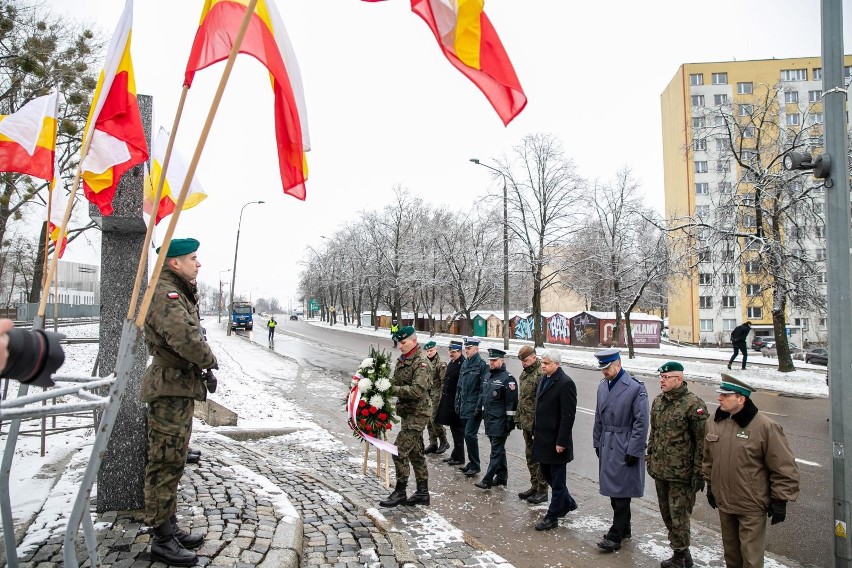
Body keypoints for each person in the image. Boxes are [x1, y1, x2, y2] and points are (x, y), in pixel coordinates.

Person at [141, 238, 218, 567]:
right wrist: (210, 360)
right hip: (169, 389)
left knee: (173, 460)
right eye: (192, 258)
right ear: (174, 263)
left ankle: (168, 526)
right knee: (164, 462)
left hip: (178, 386)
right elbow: (185, 338)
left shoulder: (177, 290)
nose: (197, 264)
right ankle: (161, 538)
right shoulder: (165, 292)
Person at [703, 374, 800, 568]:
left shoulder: (765, 426)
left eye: (725, 395)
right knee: (731, 556)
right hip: (724, 501)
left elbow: (784, 466)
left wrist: (781, 499)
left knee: (751, 559)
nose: (719, 398)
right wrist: (710, 484)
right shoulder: (714, 421)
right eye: (720, 394)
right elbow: (708, 457)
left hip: (751, 504)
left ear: (741, 399)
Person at [647, 362, 708, 568]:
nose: (661, 381)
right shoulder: (658, 402)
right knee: (667, 514)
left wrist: (699, 473)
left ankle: (681, 557)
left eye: (666, 377)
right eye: (661, 377)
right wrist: (650, 458)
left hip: (682, 474)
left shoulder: (693, 405)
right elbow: (654, 434)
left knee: (679, 516)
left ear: (679, 380)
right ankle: (680, 552)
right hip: (661, 470)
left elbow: (702, 442)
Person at [593, 348, 649, 553]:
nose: (604, 372)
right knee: (612, 491)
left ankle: (615, 535)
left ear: (618, 364)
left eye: (607, 368)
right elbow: (598, 417)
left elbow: (641, 423)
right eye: (603, 369)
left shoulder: (635, 388)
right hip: (608, 443)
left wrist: (634, 449)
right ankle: (625, 528)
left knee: (622, 493)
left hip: (625, 443)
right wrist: (597, 441)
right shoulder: (602, 386)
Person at [379, 326, 432, 508]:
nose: (400, 346)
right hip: (407, 413)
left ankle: (400, 492)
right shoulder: (403, 360)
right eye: (399, 342)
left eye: (403, 342)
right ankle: (422, 493)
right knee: (416, 453)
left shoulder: (422, 363)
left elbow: (417, 391)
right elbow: (396, 382)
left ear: (414, 341)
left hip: (418, 413)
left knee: (399, 451)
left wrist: (390, 389)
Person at [531, 349, 578, 531]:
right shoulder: (545, 378)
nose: (542, 366)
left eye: (546, 363)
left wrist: (562, 442)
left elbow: (568, 416)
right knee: (547, 474)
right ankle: (567, 502)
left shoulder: (566, 383)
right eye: (542, 363)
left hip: (557, 441)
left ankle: (552, 517)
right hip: (543, 438)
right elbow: (538, 407)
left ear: (556, 365)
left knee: (558, 481)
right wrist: (535, 428)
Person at [474, 348, 518, 490]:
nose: (491, 363)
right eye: (490, 360)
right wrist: (479, 410)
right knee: (499, 450)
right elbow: (483, 396)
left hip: (500, 421)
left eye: (494, 361)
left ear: (502, 361)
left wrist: (509, 423)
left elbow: (511, 403)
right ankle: (502, 477)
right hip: (489, 420)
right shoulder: (488, 376)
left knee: (496, 451)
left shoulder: (508, 379)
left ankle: (487, 480)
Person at [515, 345, 549, 505]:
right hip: (526, 422)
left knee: (539, 458)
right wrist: (518, 417)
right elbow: (522, 398)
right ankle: (534, 485)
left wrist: (539, 424)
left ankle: (543, 490)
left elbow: (543, 402)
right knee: (530, 456)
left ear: (535, 357)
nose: (524, 364)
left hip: (536, 424)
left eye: (526, 360)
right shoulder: (525, 374)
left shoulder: (540, 374)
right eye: (522, 361)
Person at [455, 336, 489, 477]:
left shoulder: (482, 366)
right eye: (466, 348)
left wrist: (478, 407)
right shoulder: (465, 363)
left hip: (474, 407)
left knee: (470, 434)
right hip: (464, 405)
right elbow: (460, 385)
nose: (466, 351)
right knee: (466, 434)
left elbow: (483, 389)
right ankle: (471, 462)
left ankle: (475, 465)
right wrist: (457, 402)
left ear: (476, 349)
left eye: (469, 348)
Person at [436, 340, 465, 466]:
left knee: (458, 431)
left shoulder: (462, 364)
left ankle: (460, 457)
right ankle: (455, 454)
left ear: (459, 351)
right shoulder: (453, 362)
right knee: (454, 430)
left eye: (453, 352)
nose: (450, 354)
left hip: (456, 402)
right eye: (450, 352)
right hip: (450, 401)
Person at [423, 340, 450, 455]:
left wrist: (443, 397)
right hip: (426, 395)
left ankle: (444, 441)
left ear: (436, 350)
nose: (429, 353)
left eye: (431, 350)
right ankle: (433, 443)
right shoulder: (423, 362)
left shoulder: (441, 364)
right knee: (428, 419)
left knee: (434, 419)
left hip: (436, 394)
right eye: (428, 351)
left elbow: (444, 381)